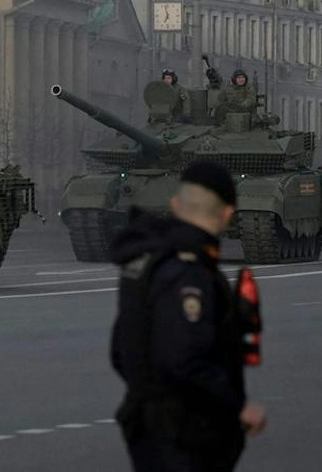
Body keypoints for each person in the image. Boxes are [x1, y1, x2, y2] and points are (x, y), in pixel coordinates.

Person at [109, 160, 267, 471]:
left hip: (151, 420)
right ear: (227, 214)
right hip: (185, 430)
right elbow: (182, 359)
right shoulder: (188, 272)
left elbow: (121, 351)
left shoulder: (148, 259)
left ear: (176, 205)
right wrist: (236, 406)